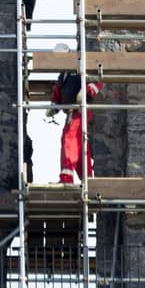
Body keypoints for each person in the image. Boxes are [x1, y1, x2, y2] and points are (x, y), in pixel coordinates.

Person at [48, 44, 101, 184]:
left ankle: (67, 178)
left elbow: (96, 81)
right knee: (80, 145)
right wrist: (53, 106)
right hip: (72, 112)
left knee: (69, 139)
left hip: (79, 111)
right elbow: (58, 94)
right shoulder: (63, 75)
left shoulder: (80, 66)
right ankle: (88, 180)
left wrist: (87, 91)